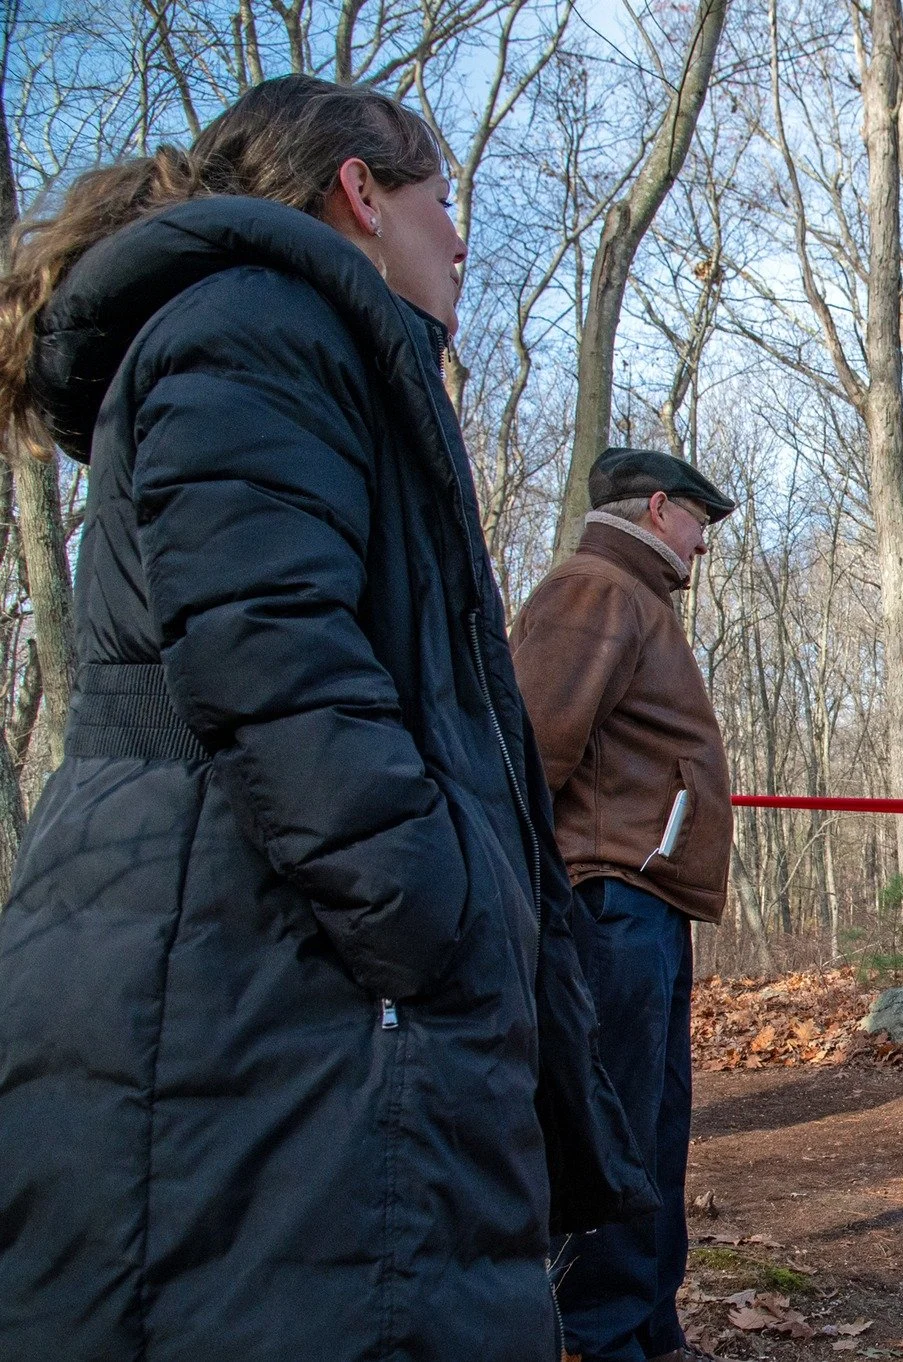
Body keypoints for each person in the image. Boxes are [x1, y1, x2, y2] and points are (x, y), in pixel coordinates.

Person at [0, 76, 652, 1361]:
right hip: (246, 1005)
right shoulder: (253, 321)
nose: (460, 237)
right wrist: (439, 916)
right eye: (443, 198)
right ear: (361, 190)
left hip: (276, 991)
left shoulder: (286, 337)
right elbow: (270, 660)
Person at [511, 447, 737, 1362]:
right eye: (698, 520)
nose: (704, 543)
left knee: (655, 1125)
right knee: (611, 1132)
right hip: (605, 904)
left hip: (647, 906)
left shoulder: (634, 599)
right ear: (654, 508)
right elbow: (526, 750)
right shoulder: (593, 591)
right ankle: (598, 1339)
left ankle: (648, 1326)